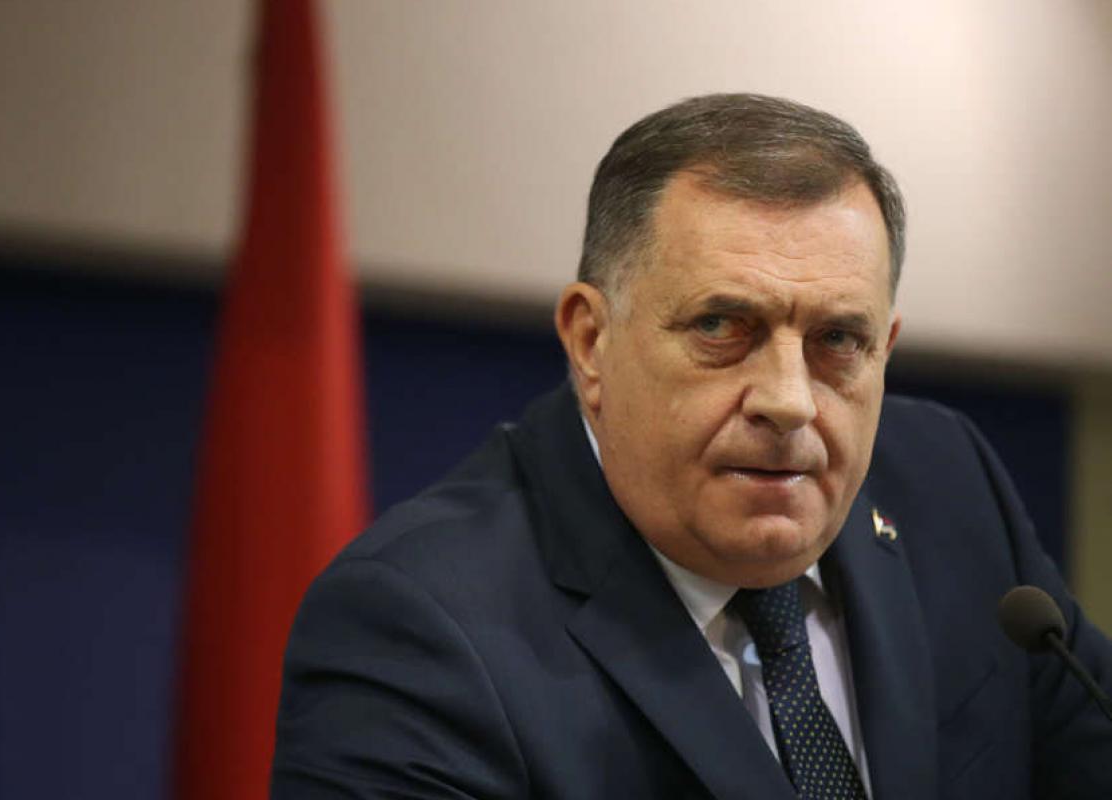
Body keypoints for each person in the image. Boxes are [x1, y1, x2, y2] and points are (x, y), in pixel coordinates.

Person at [271, 94, 1112, 799]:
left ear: (884, 348)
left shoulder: (946, 484)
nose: (789, 401)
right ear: (591, 341)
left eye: (838, 341)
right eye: (721, 326)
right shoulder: (419, 628)